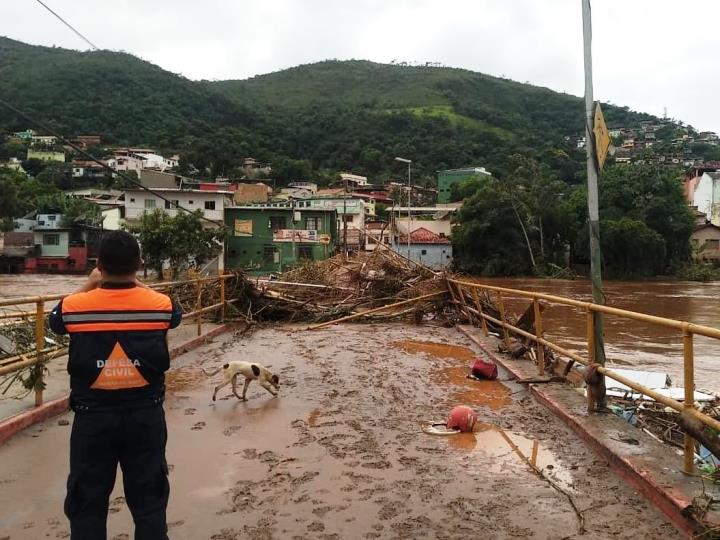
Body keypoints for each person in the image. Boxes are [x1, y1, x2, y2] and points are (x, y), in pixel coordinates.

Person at [49, 231, 182, 540]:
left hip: (92, 418)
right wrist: (138, 284)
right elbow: (175, 317)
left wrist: (90, 283)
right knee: (150, 501)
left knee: (87, 501)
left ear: (99, 264)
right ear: (138, 264)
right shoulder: (160, 305)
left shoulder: (73, 306)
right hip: (145, 417)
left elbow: (56, 322)